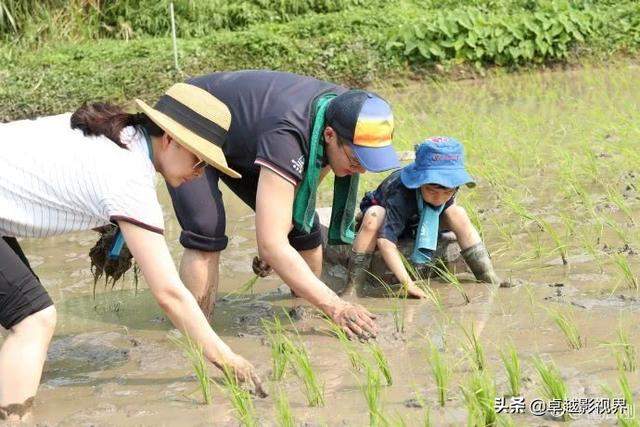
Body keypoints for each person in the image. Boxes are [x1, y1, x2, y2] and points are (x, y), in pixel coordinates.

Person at [0, 83, 265, 422]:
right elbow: (170, 294)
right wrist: (229, 360)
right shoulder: (129, 178)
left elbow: (56, 179)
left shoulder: (118, 133)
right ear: (168, 139)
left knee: (14, 310)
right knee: (34, 319)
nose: (199, 174)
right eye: (199, 161)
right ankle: (15, 418)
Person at [165, 70, 401, 340]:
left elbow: (304, 193)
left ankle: (304, 320)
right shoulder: (289, 134)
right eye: (356, 160)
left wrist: (276, 240)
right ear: (329, 135)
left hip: (248, 136)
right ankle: (196, 335)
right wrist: (337, 305)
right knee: (206, 229)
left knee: (303, 228)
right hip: (193, 118)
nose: (360, 171)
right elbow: (272, 243)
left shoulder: (344, 111)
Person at [344, 136, 504, 298]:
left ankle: (487, 276)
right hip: (390, 216)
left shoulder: (450, 188)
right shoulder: (400, 192)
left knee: (458, 213)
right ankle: (353, 288)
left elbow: (449, 206)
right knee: (374, 216)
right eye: (432, 191)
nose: (439, 198)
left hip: (421, 219)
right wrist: (408, 284)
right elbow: (385, 242)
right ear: (418, 182)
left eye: (447, 192)